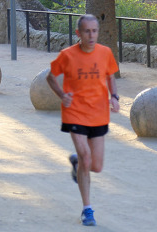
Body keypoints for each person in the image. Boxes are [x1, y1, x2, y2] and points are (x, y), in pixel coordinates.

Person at [46, 14, 120, 227]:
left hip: (98, 114)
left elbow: (110, 75)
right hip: (75, 112)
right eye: (87, 31)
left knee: (95, 166)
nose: (91, 35)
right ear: (78, 33)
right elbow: (50, 77)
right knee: (87, 158)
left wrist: (114, 96)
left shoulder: (105, 53)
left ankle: (77, 163)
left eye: (94, 31)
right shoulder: (67, 55)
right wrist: (62, 95)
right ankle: (87, 209)